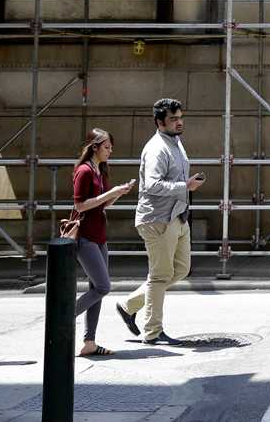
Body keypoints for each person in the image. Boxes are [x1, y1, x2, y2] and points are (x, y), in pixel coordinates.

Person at [116, 98, 205, 346]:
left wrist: (186, 186)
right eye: (173, 119)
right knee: (159, 276)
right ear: (159, 122)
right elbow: (152, 185)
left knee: (181, 269)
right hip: (157, 219)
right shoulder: (157, 148)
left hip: (177, 215)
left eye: (180, 117)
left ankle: (128, 305)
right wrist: (185, 186)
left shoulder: (175, 141)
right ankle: (152, 332)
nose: (179, 122)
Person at [71, 128, 135, 357]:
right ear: (94, 147)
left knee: (95, 289)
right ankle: (64, 317)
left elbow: (101, 205)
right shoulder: (85, 171)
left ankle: (89, 342)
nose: (110, 151)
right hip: (85, 237)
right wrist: (110, 194)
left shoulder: (100, 171)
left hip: (99, 237)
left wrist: (118, 193)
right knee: (103, 286)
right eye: (107, 147)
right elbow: (80, 205)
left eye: (111, 147)